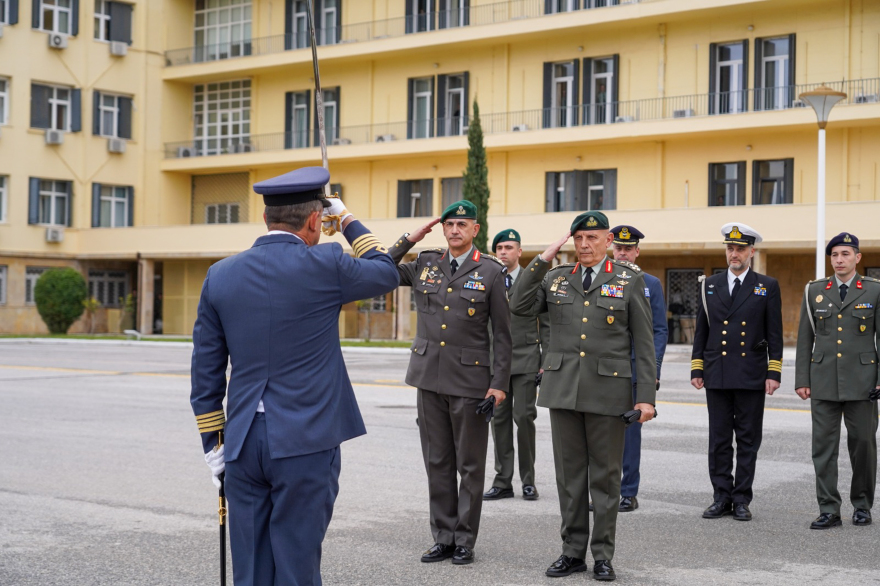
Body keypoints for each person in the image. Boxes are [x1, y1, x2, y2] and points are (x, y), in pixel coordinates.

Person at [190, 167, 399, 586]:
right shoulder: (326, 262)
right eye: (321, 223)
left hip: (243, 441)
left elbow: (206, 371)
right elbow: (385, 270)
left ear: (267, 219)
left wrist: (213, 446)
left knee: (249, 564)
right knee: (297, 562)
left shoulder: (220, 274)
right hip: (306, 440)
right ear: (312, 221)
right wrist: (346, 221)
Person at [510, 211, 656, 582]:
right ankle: (572, 552)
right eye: (578, 239)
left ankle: (603, 555)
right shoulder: (557, 278)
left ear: (608, 241)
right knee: (569, 477)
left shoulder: (628, 280)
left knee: (606, 480)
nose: (585, 245)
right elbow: (518, 304)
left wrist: (645, 398)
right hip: (563, 391)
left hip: (610, 391)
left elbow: (643, 342)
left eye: (592, 238)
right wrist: (542, 260)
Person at [389, 200, 512, 566]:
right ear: (442, 229)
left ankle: (464, 539)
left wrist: (499, 383)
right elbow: (380, 269)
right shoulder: (426, 263)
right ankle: (442, 537)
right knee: (437, 461)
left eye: (462, 224)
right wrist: (408, 240)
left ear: (475, 229)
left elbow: (503, 336)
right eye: (449, 224)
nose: (455, 230)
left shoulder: (491, 271)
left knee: (470, 466)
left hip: (471, 381)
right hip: (429, 378)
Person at [690, 223, 783, 522]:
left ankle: (741, 498)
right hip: (717, 372)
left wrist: (774, 371)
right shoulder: (710, 284)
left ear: (751, 252)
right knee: (718, 439)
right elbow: (701, 330)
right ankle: (721, 496)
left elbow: (775, 332)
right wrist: (697, 365)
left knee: (747, 438)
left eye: (740, 248)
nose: (734, 253)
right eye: (730, 248)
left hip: (751, 373)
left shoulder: (766, 285)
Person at [795, 232, 880, 529]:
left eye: (845, 254)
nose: (839, 260)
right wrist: (802, 379)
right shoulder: (815, 290)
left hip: (863, 381)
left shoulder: (873, 290)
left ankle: (862, 505)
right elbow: (805, 338)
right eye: (835, 255)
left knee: (864, 446)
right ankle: (829, 508)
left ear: (858, 258)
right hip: (823, 381)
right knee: (823, 448)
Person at [483, 229, 549, 503]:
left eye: (509, 247)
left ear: (519, 252)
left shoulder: (533, 280)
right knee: (498, 422)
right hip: (495, 363)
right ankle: (502, 481)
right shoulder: (489, 278)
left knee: (524, 419)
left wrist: (545, 361)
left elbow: (546, 323)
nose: (503, 252)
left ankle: (529, 481)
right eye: (499, 248)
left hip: (525, 360)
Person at [609, 225, 668, 512]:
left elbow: (659, 330)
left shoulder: (650, 284)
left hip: (633, 369)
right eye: (618, 248)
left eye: (628, 248)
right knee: (600, 434)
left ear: (637, 251)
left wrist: (652, 369)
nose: (623, 252)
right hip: (603, 369)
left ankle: (628, 492)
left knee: (630, 433)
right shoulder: (600, 280)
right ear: (612, 249)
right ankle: (604, 491)